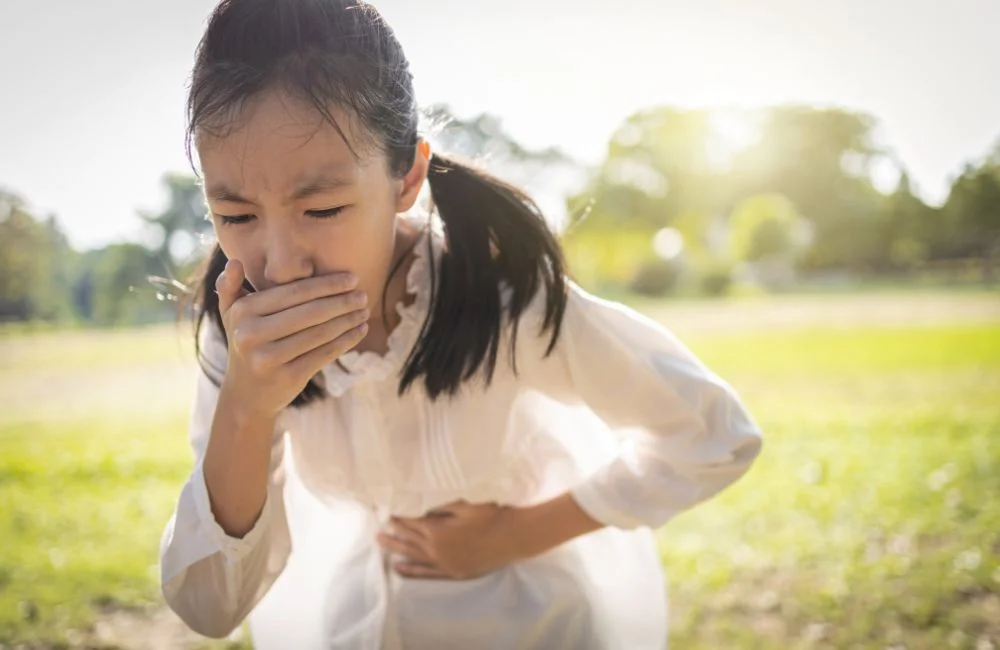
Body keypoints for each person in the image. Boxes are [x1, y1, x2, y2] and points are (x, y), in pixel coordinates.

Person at [158, 1, 764, 648]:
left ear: (408, 177)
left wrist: (515, 533)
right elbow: (211, 606)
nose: (279, 265)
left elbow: (714, 434)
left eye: (324, 208)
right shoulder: (239, 335)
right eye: (237, 216)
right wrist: (248, 406)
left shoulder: (501, 304)